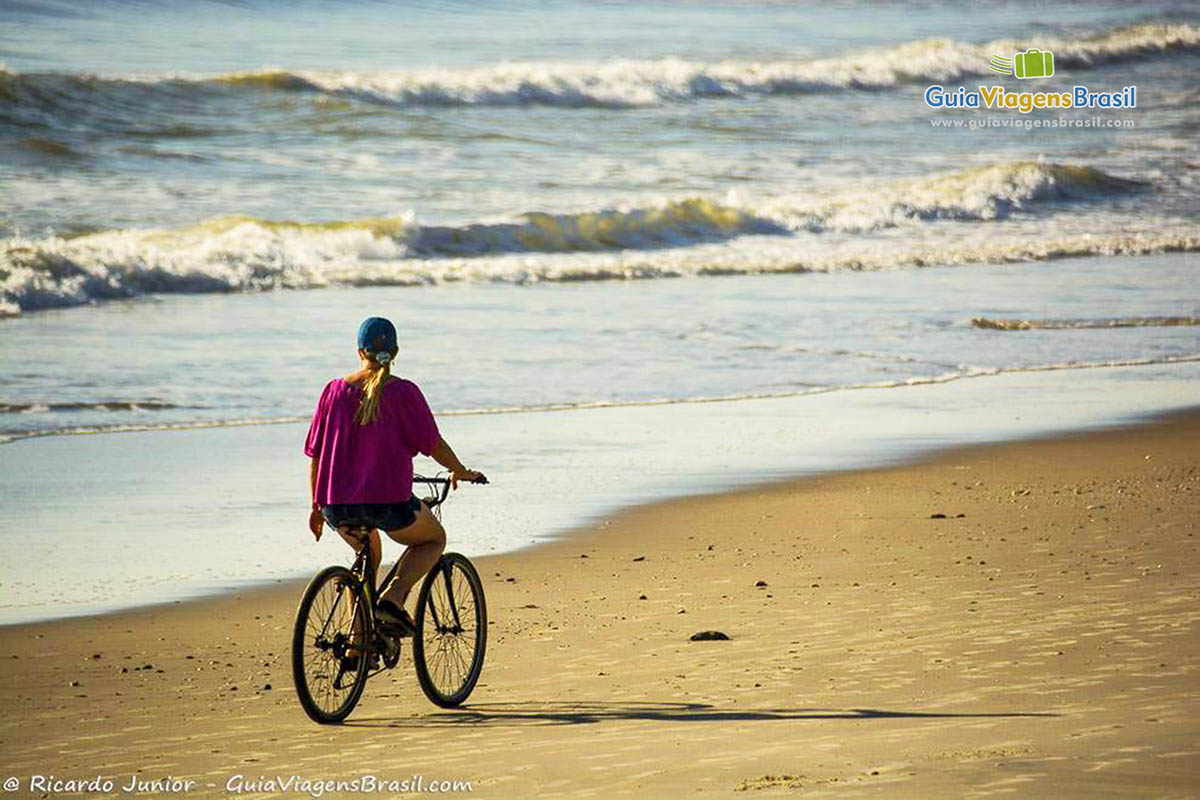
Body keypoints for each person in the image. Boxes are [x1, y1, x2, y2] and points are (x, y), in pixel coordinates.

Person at [304, 316, 485, 634]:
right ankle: (393, 600)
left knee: (366, 560)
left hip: (336, 504)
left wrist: (316, 506)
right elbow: (433, 444)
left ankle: (356, 644)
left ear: (359, 351)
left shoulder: (333, 391)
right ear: (396, 351)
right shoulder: (402, 392)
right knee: (433, 539)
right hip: (388, 503)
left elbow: (316, 454)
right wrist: (460, 471)